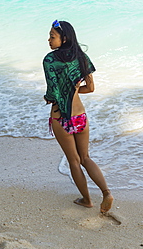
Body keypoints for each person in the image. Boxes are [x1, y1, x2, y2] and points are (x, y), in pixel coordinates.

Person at [43, 20, 113, 213]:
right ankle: (106, 192)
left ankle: (87, 200)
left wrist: (48, 98)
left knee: (74, 161)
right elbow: (90, 88)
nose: (48, 40)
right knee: (85, 157)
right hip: (80, 115)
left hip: (61, 118)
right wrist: (73, 91)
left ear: (64, 38)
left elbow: (53, 93)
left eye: (52, 36)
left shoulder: (50, 60)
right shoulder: (82, 57)